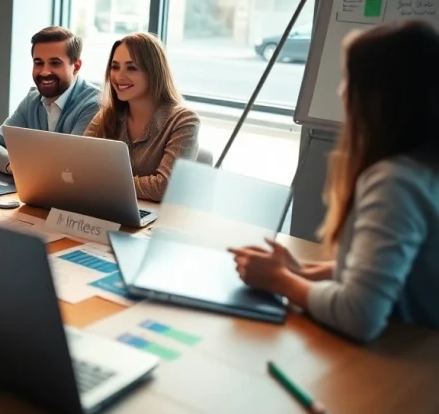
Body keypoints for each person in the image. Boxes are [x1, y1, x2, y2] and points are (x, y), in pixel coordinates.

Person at [230, 20, 439, 343]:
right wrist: (299, 272)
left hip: (406, 359)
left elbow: (360, 314)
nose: (341, 92)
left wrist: (280, 280)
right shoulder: (423, 167)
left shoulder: (395, 181)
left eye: (349, 81)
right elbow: (383, 270)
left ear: (378, 97)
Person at [83, 32, 199, 201]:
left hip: (154, 215)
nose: (119, 76)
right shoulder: (107, 115)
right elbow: (79, 167)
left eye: (131, 68)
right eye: (115, 67)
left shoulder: (184, 120)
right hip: (110, 206)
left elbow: (165, 187)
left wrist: (104, 183)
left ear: (154, 72)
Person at [0, 26, 100, 174]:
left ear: (76, 67)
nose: (44, 72)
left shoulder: (93, 104)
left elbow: (70, 165)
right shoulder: (32, 100)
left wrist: (28, 166)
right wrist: (16, 166)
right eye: (38, 63)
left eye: (55, 63)